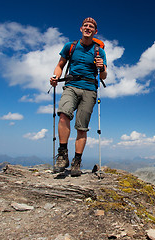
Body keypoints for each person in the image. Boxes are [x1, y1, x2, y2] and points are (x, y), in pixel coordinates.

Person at [50, 17, 107, 176]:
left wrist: (101, 67)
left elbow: (103, 76)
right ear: (81, 29)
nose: (88, 28)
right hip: (71, 86)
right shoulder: (70, 46)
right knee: (63, 114)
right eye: (85, 25)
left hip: (89, 89)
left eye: (91, 27)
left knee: (82, 127)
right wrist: (55, 77)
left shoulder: (99, 51)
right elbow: (60, 65)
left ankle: (77, 161)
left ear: (95, 32)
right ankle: (63, 155)